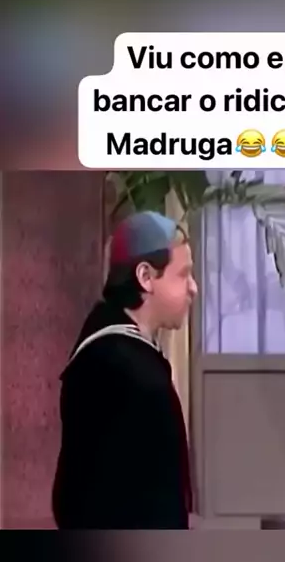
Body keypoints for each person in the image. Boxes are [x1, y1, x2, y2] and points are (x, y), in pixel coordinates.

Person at [52, 210, 197, 529]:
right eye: (183, 274)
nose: (193, 288)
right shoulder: (134, 374)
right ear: (145, 277)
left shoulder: (102, 349)